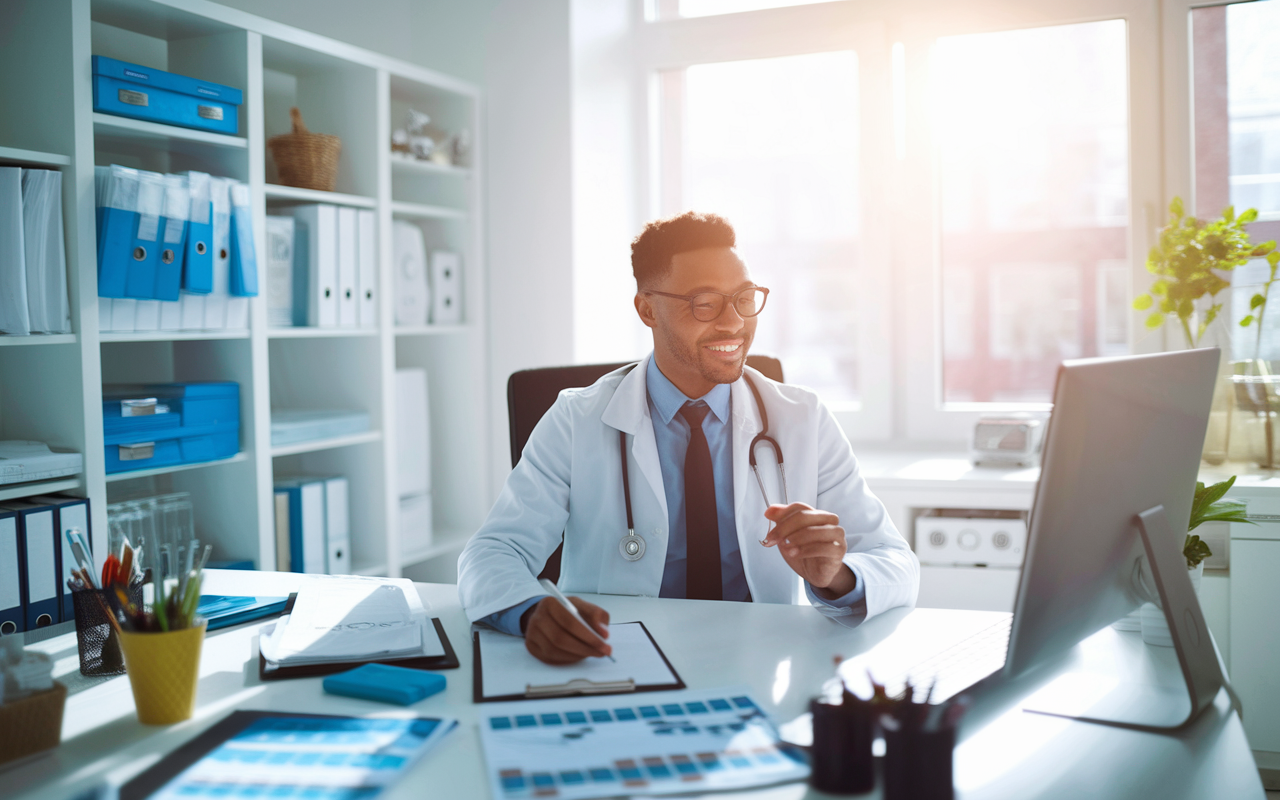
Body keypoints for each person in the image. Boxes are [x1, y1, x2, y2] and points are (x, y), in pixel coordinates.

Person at [458, 211, 919, 664]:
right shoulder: (576, 418)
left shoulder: (802, 419)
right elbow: (493, 551)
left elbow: (894, 561)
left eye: (743, 298)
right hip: (616, 658)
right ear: (646, 309)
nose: (733, 323)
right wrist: (529, 610)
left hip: (758, 660)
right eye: (705, 303)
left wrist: (836, 576)